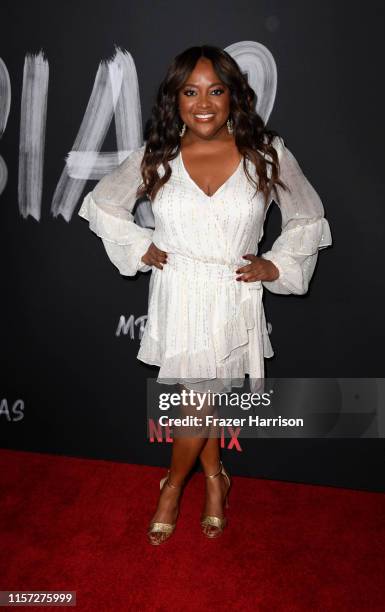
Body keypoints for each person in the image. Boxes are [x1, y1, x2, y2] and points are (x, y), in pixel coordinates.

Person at [78, 45, 332, 545]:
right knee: (202, 399)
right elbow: (103, 205)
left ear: (234, 96)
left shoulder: (266, 152)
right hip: (179, 291)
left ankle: (180, 485)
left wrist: (275, 263)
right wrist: (139, 246)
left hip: (231, 295)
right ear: (174, 99)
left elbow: (307, 216)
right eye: (190, 91)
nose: (204, 103)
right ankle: (205, 482)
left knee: (201, 399)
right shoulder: (158, 155)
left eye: (216, 90)